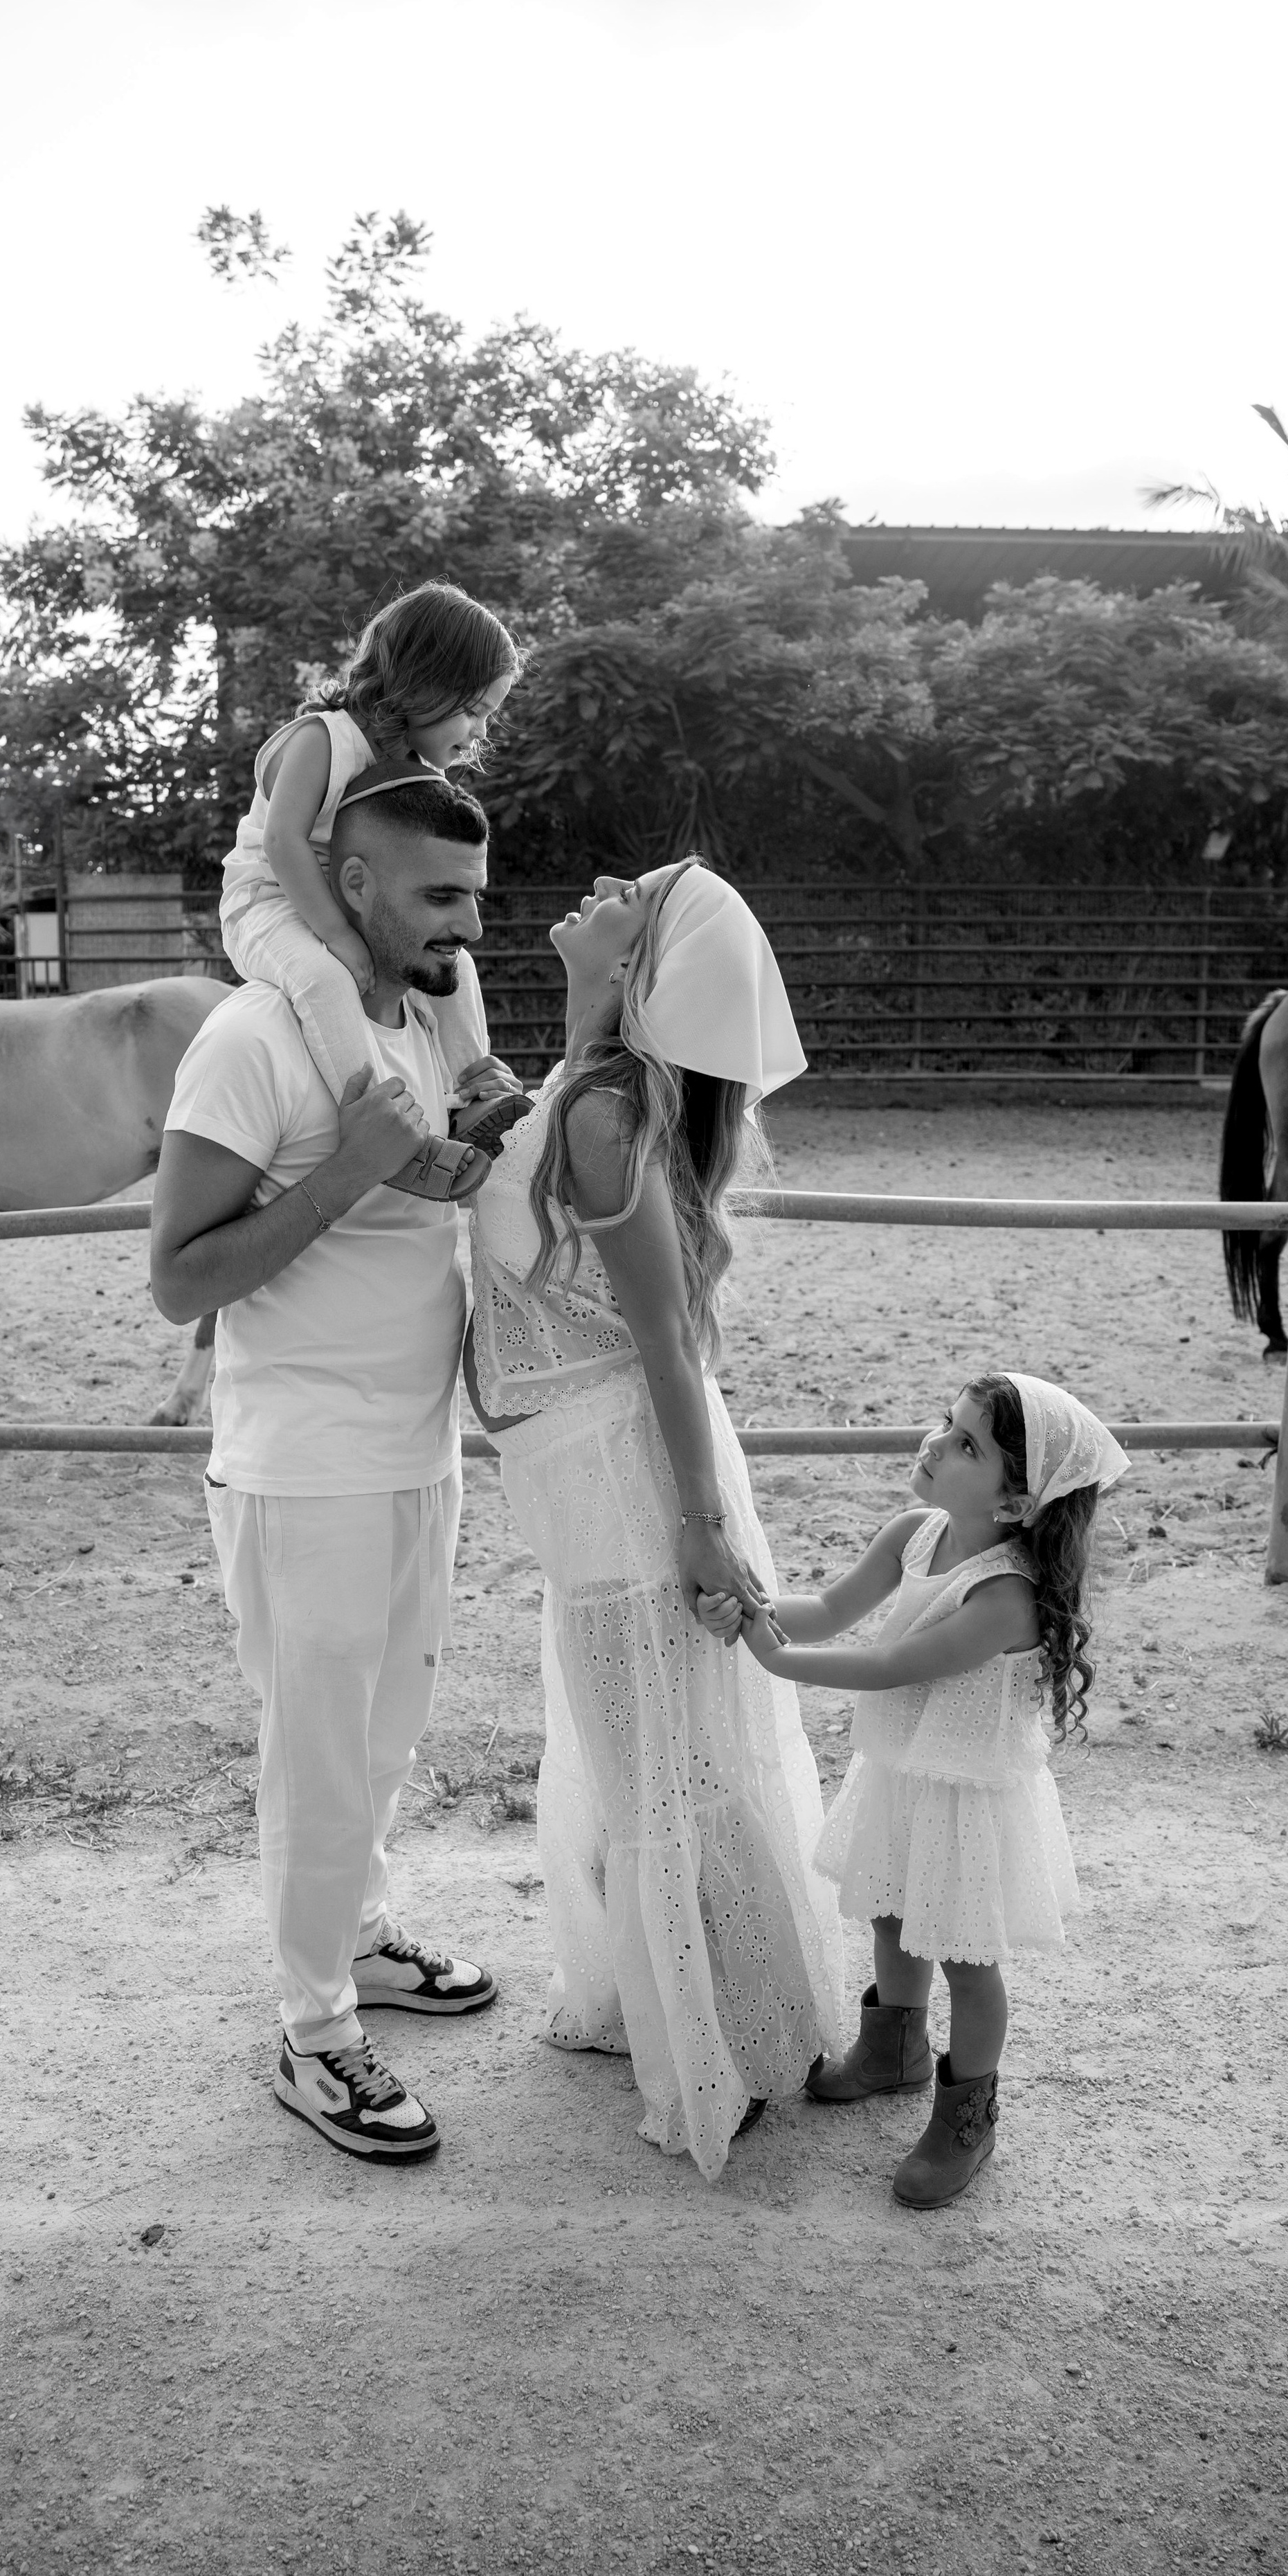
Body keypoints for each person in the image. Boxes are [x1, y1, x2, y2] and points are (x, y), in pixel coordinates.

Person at [151, 767, 518, 2167]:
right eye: (437, 896)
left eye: (477, 897)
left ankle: (356, 1940)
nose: (464, 927)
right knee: (315, 1754)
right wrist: (341, 1176)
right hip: (300, 1466)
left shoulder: (425, 1020)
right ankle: (310, 2034)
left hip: (418, 1446)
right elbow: (177, 1280)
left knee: (381, 1735)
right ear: (353, 886)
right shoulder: (250, 1041)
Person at [464, 859, 847, 2183]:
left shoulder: (606, 1120)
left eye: (634, 891)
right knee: (634, 1742)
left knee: (660, 1760)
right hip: (580, 1476)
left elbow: (669, 1351)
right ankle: (671, 2009)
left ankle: (715, 2059)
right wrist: (583, 997)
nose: (600, 883)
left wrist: (696, 1525)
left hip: (632, 1478)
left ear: (651, 968)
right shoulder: (594, 1082)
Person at [705, 1371, 1127, 2208]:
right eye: (946, 1423)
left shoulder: (1007, 1598)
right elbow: (826, 1609)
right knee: (893, 1911)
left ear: (1015, 1500)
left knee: (968, 1957)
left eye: (967, 1444)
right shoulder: (915, 1530)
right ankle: (891, 2048)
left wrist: (775, 1658)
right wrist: (751, 1607)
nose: (935, 1443)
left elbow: (892, 1665)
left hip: (968, 1793)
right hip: (903, 1769)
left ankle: (967, 2115)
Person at [217, 581, 526, 1203]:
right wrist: (337, 935)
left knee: (455, 966)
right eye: (473, 709)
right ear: (426, 681)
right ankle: (384, 1136)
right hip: (269, 901)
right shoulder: (323, 739)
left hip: (348, 902)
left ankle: (471, 1097)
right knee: (328, 980)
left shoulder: (417, 768)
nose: (480, 729)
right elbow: (284, 843)